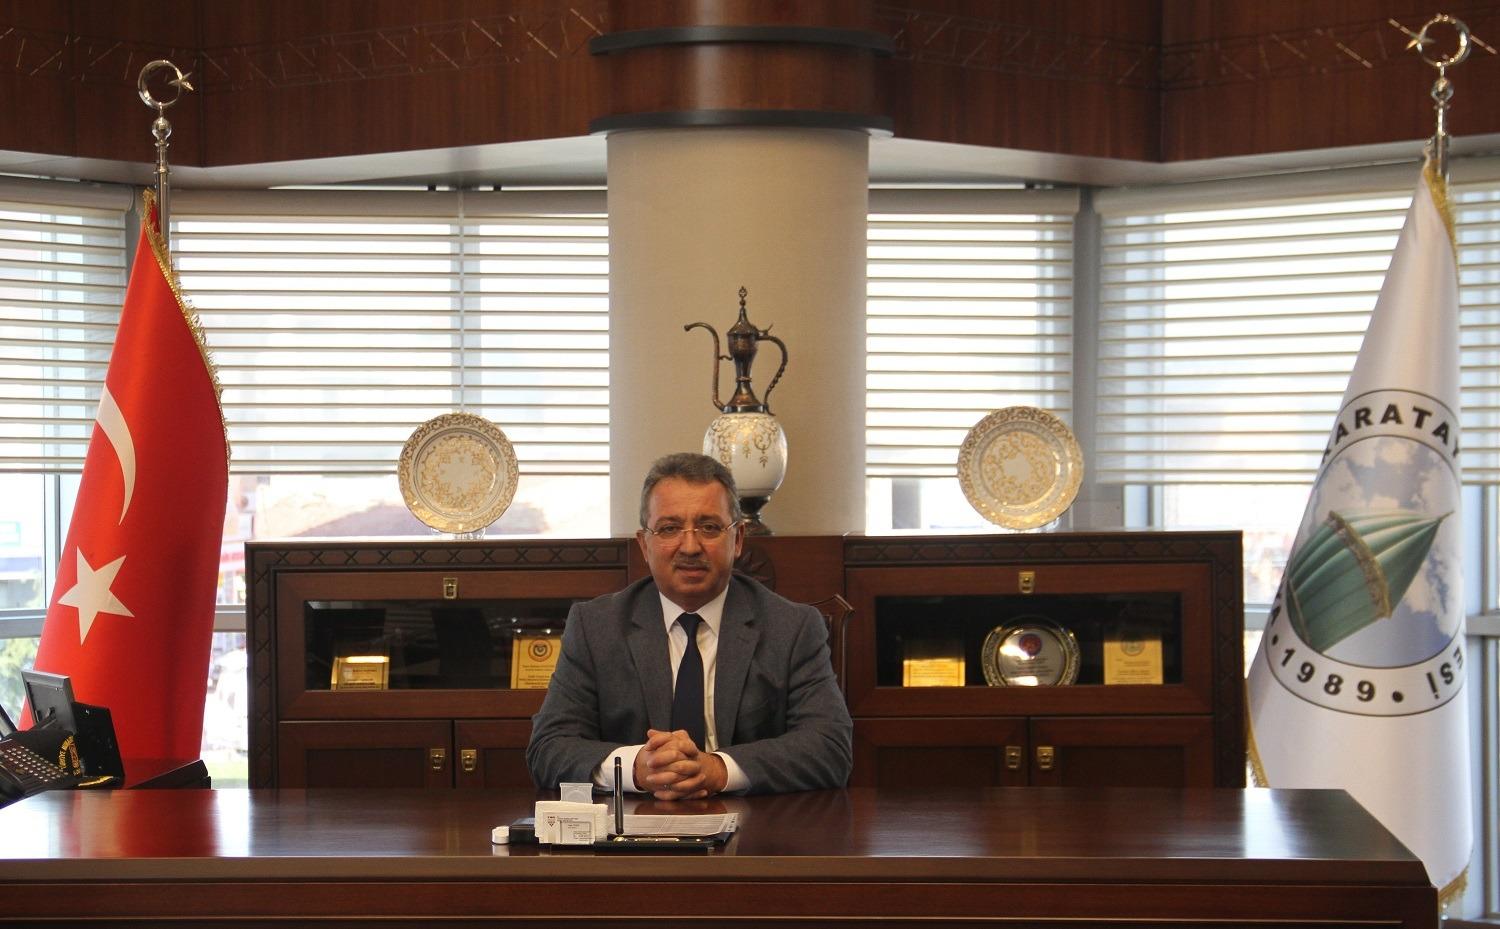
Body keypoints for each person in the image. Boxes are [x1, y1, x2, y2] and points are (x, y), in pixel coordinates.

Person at [526, 452, 853, 797]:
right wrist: (636, 768)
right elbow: (548, 747)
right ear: (644, 545)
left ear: (738, 539)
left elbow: (830, 747)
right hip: (634, 825)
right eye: (669, 528)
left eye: (709, 527)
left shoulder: (792, 627)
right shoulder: (596, 627)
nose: (691, 546)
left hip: (754, 824)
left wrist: (718, 769)